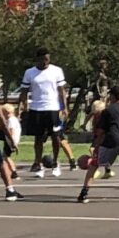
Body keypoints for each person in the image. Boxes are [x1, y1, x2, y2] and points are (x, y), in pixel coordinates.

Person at [20, 49, 73, 177]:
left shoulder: (56, 71)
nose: (45, 62)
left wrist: (64, 107)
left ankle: (55, 162)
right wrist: (23, 105)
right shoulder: (30, 72)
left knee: (55, 136)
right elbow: (24, 91)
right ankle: (38, 164)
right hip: (37, 108)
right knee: (38, 138)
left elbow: (61, 91)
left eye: (47, 59)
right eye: (43, 59)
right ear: (38, 59)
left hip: (53, 108)